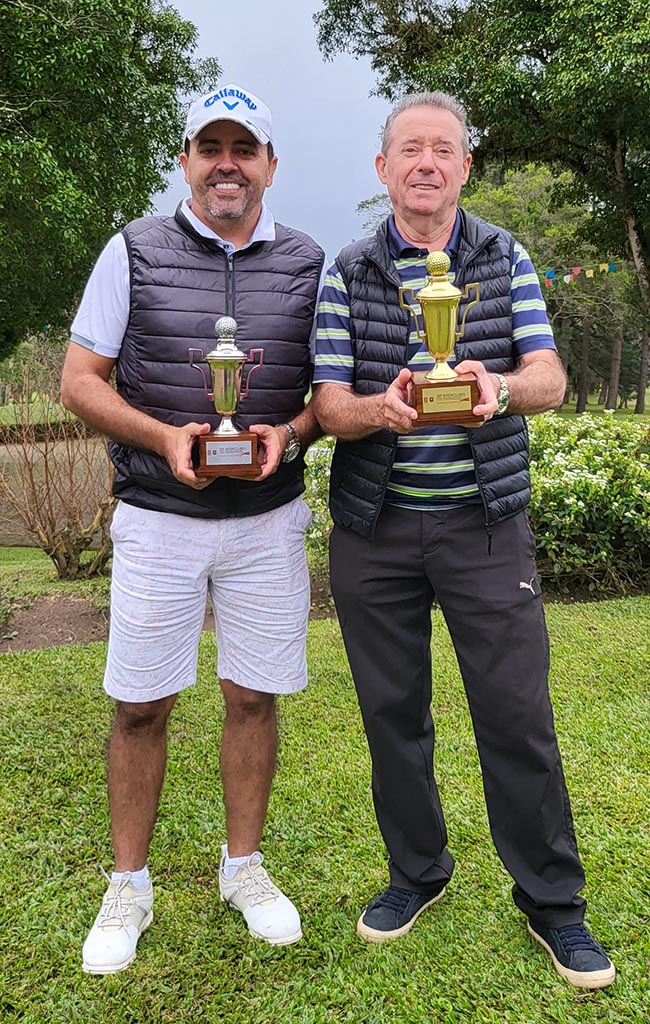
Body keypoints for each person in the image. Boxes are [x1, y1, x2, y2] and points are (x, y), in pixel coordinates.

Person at [312, 91, 615, 990]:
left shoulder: (504, 255)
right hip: (375, 527)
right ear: (383, 169)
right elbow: (329, 402)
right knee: (391, 714)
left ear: (464, 167)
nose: (426, 163)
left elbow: (550, 376)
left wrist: (501, 392)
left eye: (443, 149)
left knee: (516, 713)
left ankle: (553, 902)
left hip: (486, 524)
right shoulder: (350, 269)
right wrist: (383, 408)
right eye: (410, 149)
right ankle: (418, 872)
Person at [61, 83, 324, 974]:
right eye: (209, 147)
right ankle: (128, 884)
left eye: (242, 149)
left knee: (253, 695)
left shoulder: (307, 259)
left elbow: (325, 398)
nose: (226, 164)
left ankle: (241, 867)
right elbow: (81, 381)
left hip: (267, 518)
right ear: (185, 160)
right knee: (140, 705)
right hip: (160, 517)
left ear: (269, 166)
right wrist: (166, 434)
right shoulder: (131, 248)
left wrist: (287, 436)